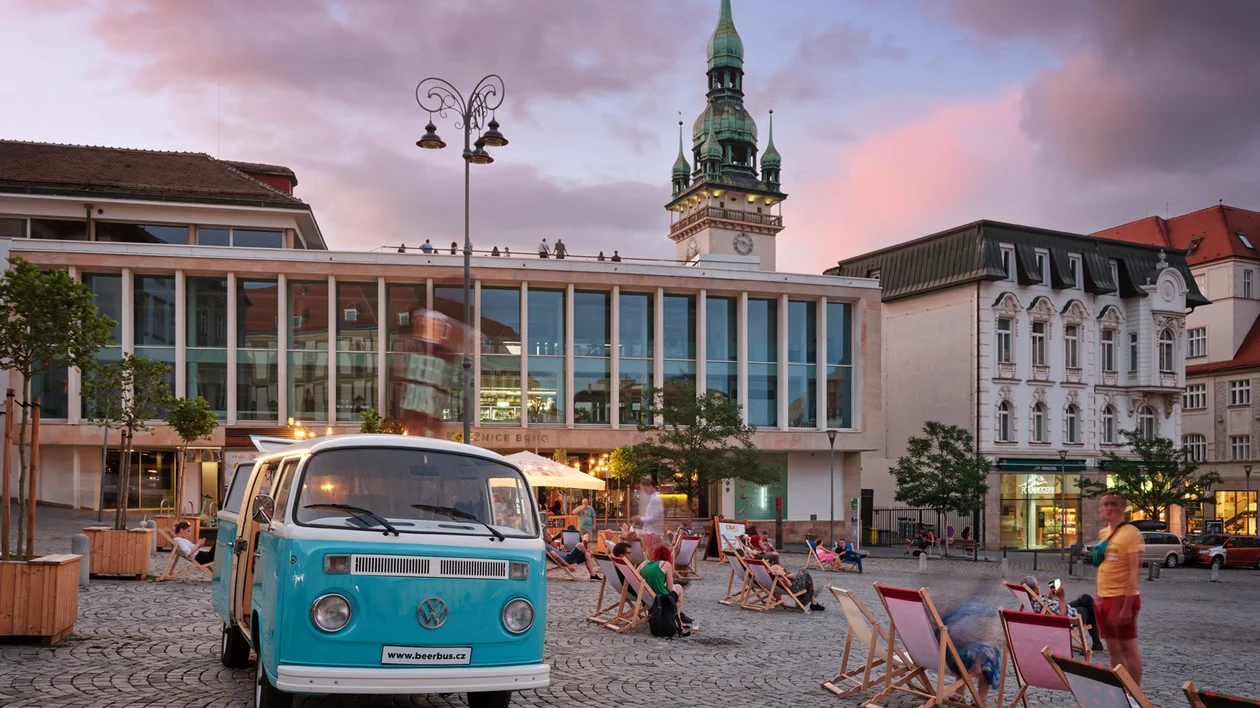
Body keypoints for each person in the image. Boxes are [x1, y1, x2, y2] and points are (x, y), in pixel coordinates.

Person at [1093, 492, 1144, 684]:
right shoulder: (1104, 533)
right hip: (1104, 598)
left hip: (1122, 598)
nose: (1107, 508)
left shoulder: (1131, 533)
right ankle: (1119, 689)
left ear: (1122, 508)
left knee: (1128, 649)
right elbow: (1103, 567)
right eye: (1104, 504)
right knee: (1113, 650)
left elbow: (1134, 571)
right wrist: (1097, 596)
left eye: (1112, 504)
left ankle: (1134, 695)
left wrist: (1126, 606)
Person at [1023, 575, 1103, 651]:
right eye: (1038, 585)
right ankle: (1103, 625)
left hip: (1060, 609)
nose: (1040, 586)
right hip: (1069, 617)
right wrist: (1061, 597)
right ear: (1033, 590)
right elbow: (1062, 617)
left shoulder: (1032, 601)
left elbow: (1046, 609)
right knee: (1088, 608)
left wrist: (1049, 598)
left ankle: (1097, 643)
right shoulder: (1040, 602)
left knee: (1085, 598)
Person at [639, 545, 693, 628]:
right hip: (660, 598)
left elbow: (635, 576)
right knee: (678, 587)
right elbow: (670, 588)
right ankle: (678, 620)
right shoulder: (666, 564)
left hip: (645, 597)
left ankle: (678, 619)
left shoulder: (643, 563)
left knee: (677, 586)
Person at [630, 476, 665, 554]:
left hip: (652, 533)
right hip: (653, 532)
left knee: (650, 555)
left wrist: (640, 518)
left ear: (651, 486)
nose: (645, 491)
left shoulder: (655, 499)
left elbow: (653, 518)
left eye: (645, 489)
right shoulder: (655, 498)